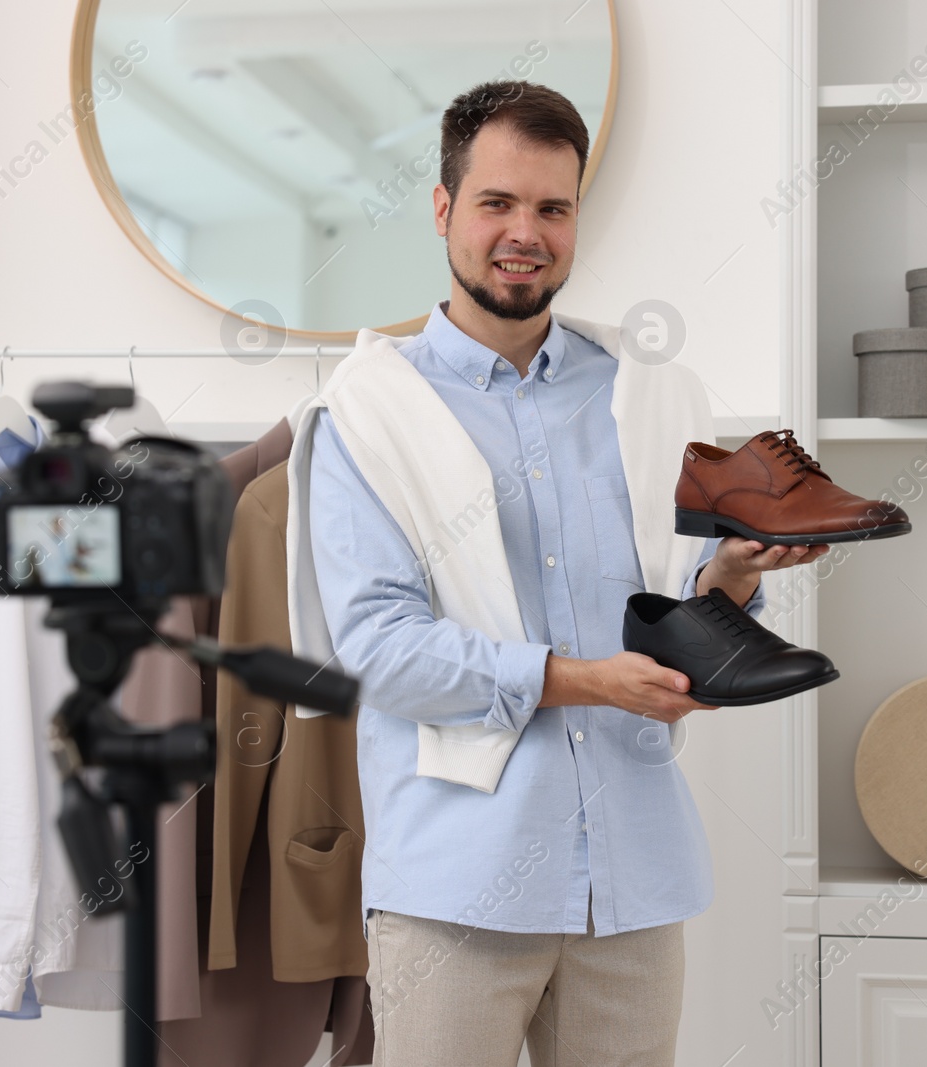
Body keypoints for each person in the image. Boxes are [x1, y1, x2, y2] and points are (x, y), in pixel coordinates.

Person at [303, 80, 827, 1066]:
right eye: (497, 202)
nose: (525, 231)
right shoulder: (367, 414)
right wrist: (583, 681)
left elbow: (678, 615)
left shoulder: (650, 394)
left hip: (631, 880)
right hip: (457, 890)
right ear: (443, 207)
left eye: (552, 207)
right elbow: (380, 650)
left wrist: (738, 574)